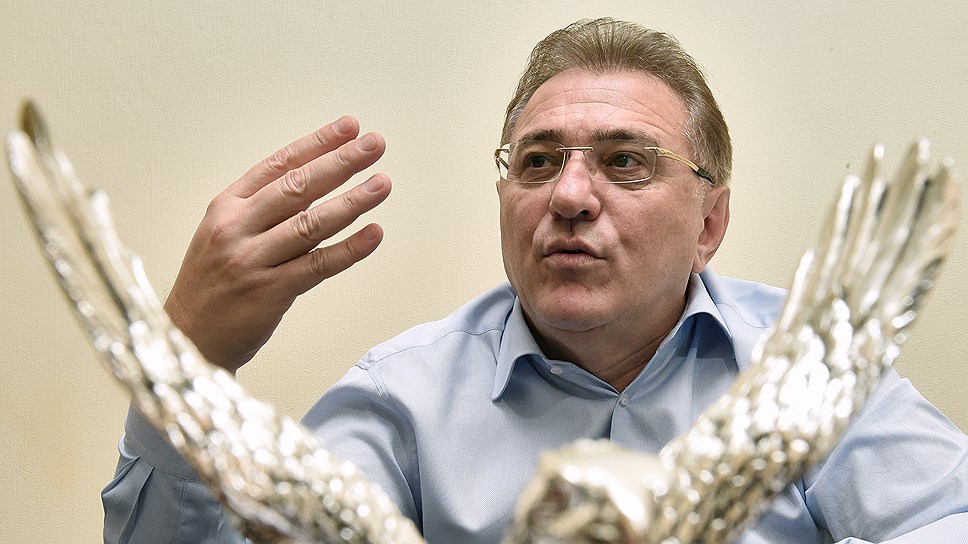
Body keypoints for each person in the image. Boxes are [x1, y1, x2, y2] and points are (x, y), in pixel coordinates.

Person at [101, 18, 968, 544]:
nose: (569, 195)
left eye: (624, 162)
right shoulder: (403, 401)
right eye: (539, 161)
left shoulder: (806, 366)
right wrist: (181, 359)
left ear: (710, 225)